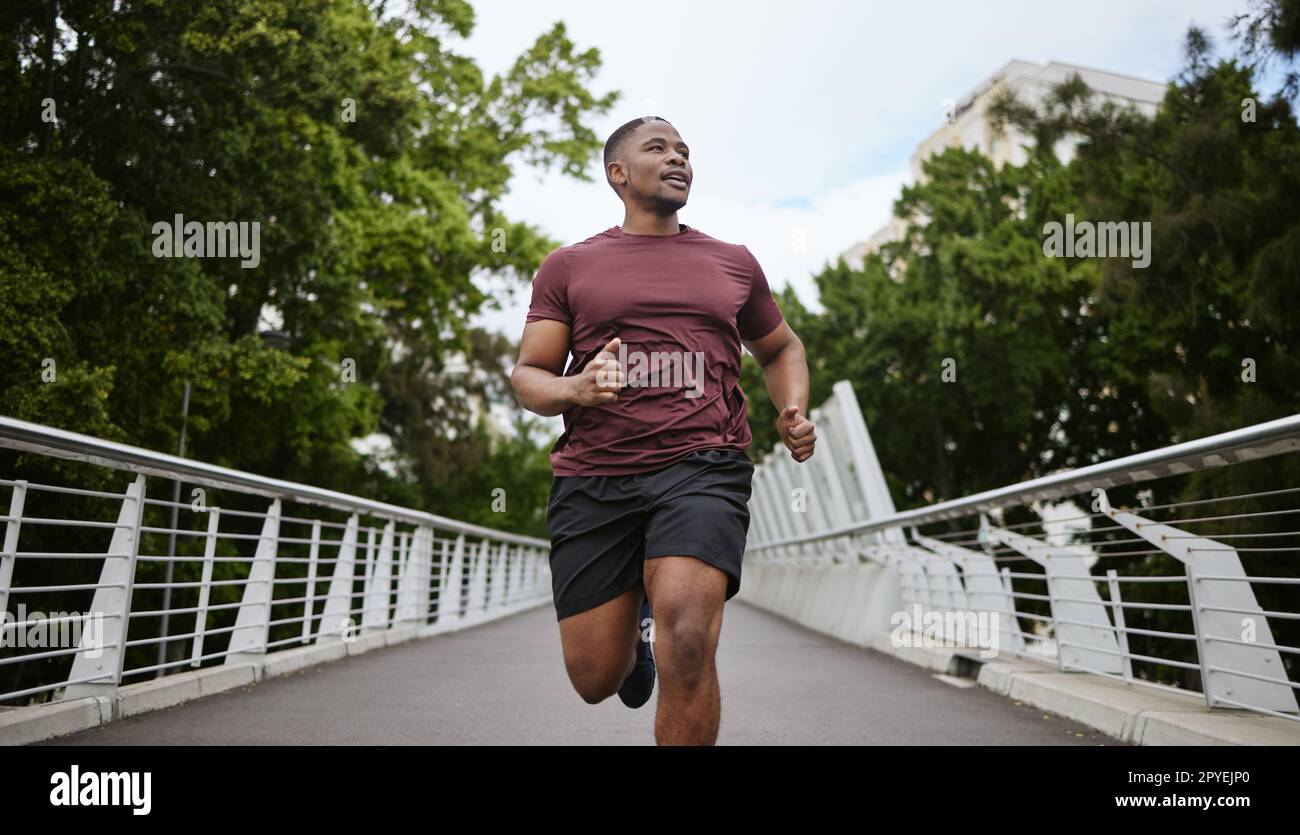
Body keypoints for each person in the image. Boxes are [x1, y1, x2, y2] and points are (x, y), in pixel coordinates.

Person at [510, 115, 816, 745]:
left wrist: (792, 411)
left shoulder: (731, 263)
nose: (678, 158)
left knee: (689, 639)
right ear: (617, 173)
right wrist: (574, 388)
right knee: (594, 675)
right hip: (595, 476)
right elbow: (528, 376)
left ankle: (663, 617)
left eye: (684, 151)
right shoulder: (568, 266)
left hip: (703, 466)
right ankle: (636, 628)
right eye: (659, 149)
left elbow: (782, 348)